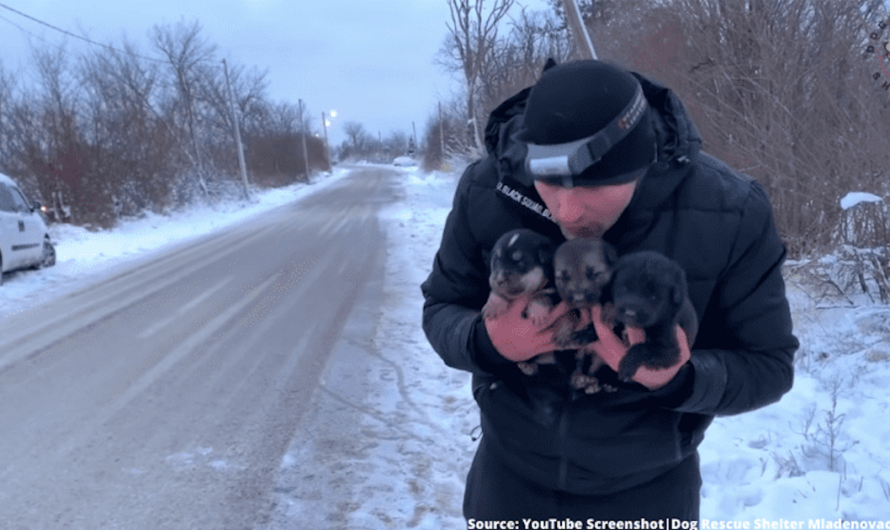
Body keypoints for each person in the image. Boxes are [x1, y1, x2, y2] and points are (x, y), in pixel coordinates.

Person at [420, 59, 799, 522]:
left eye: (594, 185)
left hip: (650, 491)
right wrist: (486, 342)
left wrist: (679, 378)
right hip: (510, 480)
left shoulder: (729, 211)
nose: (567, 209)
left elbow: (769, 365)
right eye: (550, 184)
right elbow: (442, 306)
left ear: (641, 162)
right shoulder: (488, 189)